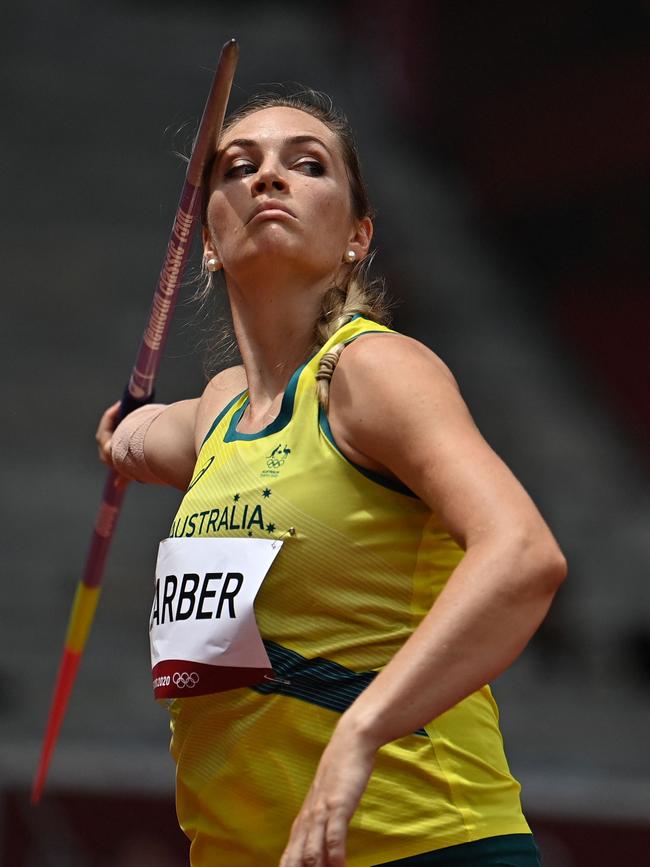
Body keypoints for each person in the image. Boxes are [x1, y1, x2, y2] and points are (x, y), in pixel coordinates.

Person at [96, 90, 567, 867]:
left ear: (357, 236)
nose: (269, 178)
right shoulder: (218, 413)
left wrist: (362, 731)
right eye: (238, 167)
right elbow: (141, 433)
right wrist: (118, 437)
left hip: (422, 847)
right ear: (205, 239)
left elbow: (522, 555)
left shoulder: (370, 371)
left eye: (305, 165)